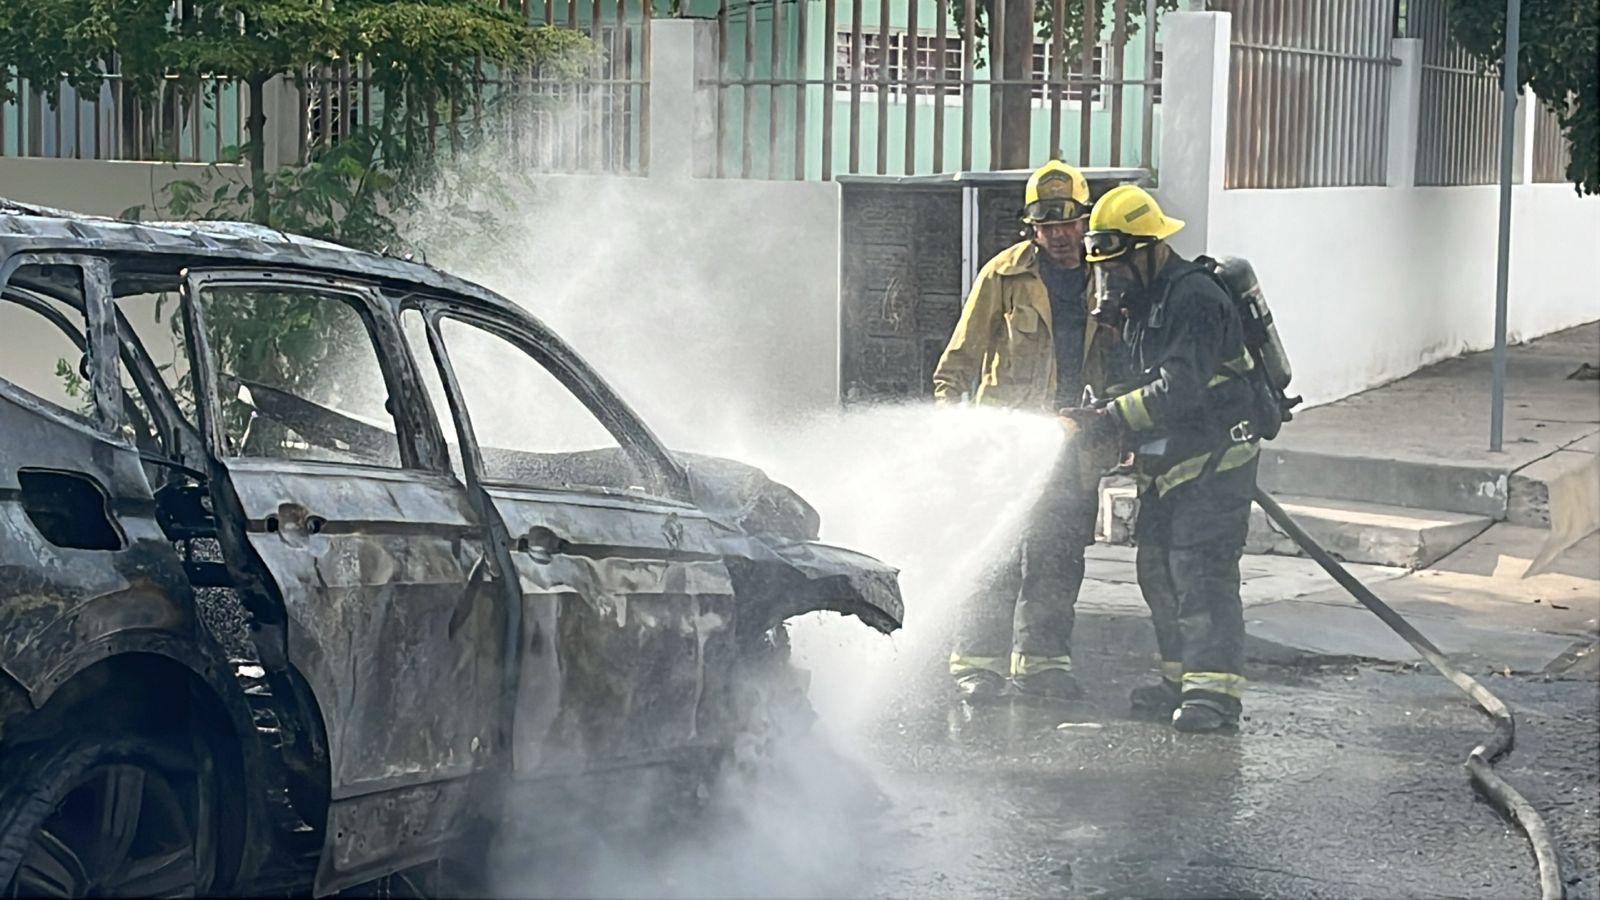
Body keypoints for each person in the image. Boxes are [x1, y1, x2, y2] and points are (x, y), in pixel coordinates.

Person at [1069, 184, 1262, 733]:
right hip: (1171, 462)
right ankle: (1180, 681)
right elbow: (1143, 379)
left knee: (1200, 574)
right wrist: (1103, 405)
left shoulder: (1194, 297)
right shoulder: (1145, 301)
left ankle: (1215, 695)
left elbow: (1179, 388)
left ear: (1149, 248)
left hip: (1217, 458)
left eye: (1119, 263)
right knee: (1158, 571)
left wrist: (1110, 418)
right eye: (1105, 268)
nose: (1113, 277)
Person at [931, 160, 1116, 702]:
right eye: (1047, 225)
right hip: (1006, 450)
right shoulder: (1003, 275)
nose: (1060, 235)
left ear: (1085, 222)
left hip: (1077, 449)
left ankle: (1043, 665)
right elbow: (958, 361)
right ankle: (975, 665)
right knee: (997, 556)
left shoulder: (1106, 277)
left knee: (1058, 559)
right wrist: (950, 423)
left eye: (1069, 223)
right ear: (1031, 228)